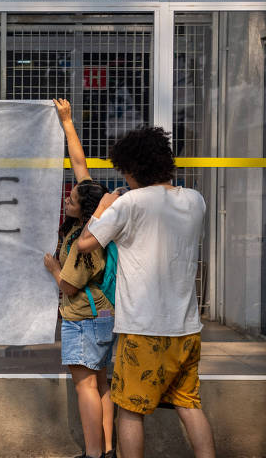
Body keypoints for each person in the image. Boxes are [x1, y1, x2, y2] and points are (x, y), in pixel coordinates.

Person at [77, 126, 215, 458]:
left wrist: (104, 206)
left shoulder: (129, 204)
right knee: (189, 405)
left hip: (142, 329)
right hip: (186, 329)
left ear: (132, 169)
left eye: (123, 170)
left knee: (129, 409)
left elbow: (85, 244)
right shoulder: (195, 201)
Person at [43, 99, 116, 458]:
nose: (67, 201)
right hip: (101, 315)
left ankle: (93, 454)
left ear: (84, 209)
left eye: (72, 200)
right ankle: (107, 449)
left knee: (85, 387)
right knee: (102, 384)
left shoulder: (83, 241)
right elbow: (80, 163)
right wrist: (67, 122)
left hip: (83, 318)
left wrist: (53, 268)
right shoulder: (97, 221)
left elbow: (69, 285)